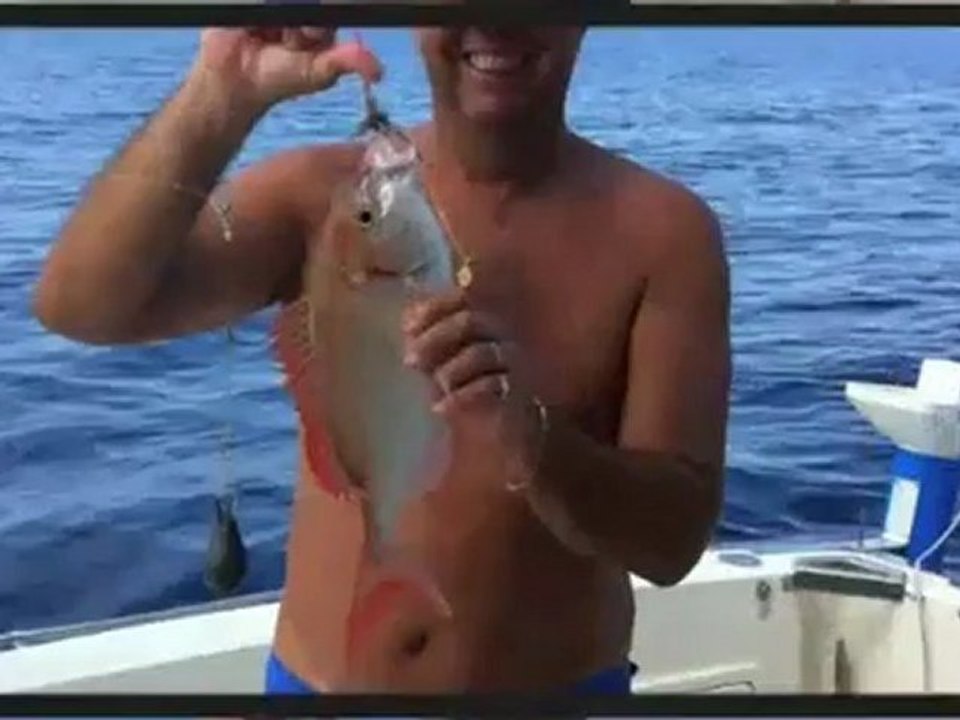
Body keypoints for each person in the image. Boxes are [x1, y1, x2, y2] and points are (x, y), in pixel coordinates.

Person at [33, 26, 731, 693]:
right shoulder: (326, 202)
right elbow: (80, 307)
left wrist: (534, 439)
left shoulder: (666, 234)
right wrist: (221, 91)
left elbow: (671, 545)